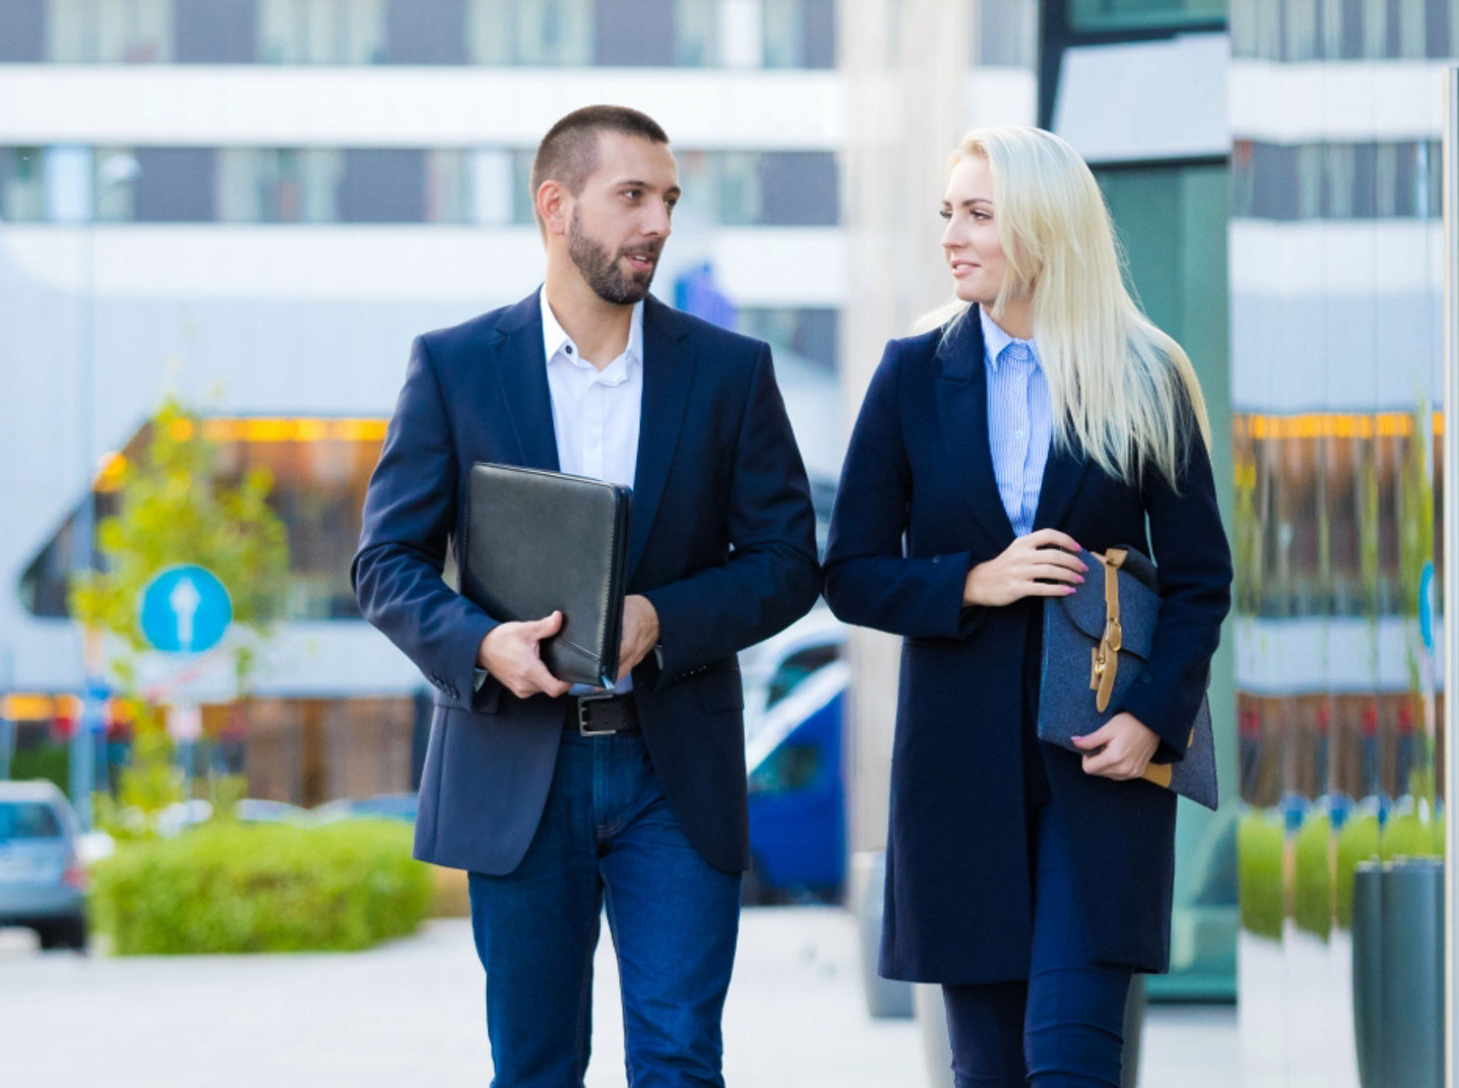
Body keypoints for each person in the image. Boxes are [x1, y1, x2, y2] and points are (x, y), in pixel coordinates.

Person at [352, 104, 820, 1087]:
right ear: (554, 205)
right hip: (516, 764)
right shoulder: (452, 367)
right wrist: (484, 644)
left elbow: (785, 558)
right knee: (532, 1066)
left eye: (668, 200)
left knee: (682, 1059)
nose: (656, 222)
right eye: (632, 196)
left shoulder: (731, 372)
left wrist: (663, 618)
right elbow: (384, 562)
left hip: (673, 768)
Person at [821, 125, 1230, 1088]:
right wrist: (972, 579)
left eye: (979, 215)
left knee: (1072, 1063)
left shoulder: (1144, 373)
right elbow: (848, 571)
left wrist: (1153, 721)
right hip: (958, 778)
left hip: (1100, 767)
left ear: (1045, 230)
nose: (953, 237)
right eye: (948, 215)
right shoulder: (912, 374)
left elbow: (1201, 576)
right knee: (989, 1074)